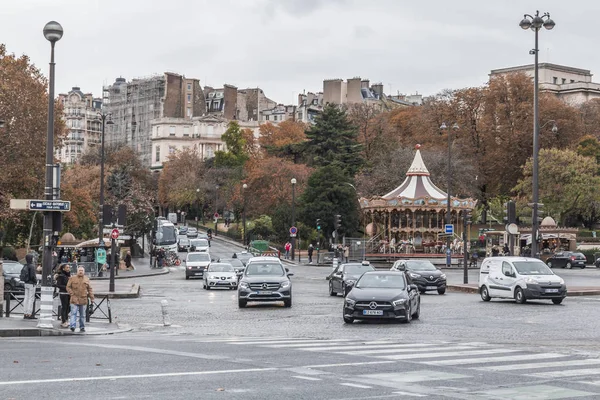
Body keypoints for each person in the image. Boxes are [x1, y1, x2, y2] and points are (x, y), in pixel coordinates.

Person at [66, 266, 94, 333]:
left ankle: (82, 327)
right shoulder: (72, 278)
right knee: (73, 313)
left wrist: (92, 298)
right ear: (77, 271)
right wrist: (72, 293)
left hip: (83, 299)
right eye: (79, 270)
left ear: (84, 272)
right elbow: (68, 287)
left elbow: (90, 289)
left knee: (82, 315)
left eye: (82, 270)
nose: (81, 272)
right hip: (74, 299)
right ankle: (72, 326)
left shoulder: (86, 279)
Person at [21, 254, 37, 319]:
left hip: (26, 283)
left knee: (26, 298)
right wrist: (35, 281)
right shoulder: (32, 266)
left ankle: (25, 313)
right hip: (31, 284)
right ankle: (29, 313)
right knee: (31, 298)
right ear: (31, 259)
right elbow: (33, 276)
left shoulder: (25, 265)